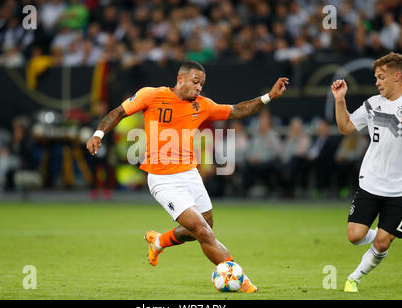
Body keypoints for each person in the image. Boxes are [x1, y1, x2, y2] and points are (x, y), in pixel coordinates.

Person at [86, 61, 289, 293]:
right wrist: (98, 133)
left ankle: (159, 241)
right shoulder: (151, 95)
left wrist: (268, 97)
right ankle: (239, 277)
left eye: (202, 83)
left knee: (205, 226)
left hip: (190, 175)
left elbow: (237, 110)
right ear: (180, 78)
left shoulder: (201, 105)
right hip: (163, 179)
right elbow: (119, 112)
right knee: (203, 231)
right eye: (195, 82)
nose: (199, 87)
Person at [331, 52, 402, 293]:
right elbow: (346, 127)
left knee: (383, 243)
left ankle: (354, 277)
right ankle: (385, 233)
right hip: (371, 182)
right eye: (376, 77)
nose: (377, 82)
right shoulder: (373, 104)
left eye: (381, 77)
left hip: (401, 189)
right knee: (355, 235)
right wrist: (340, 100)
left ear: (397, 76)